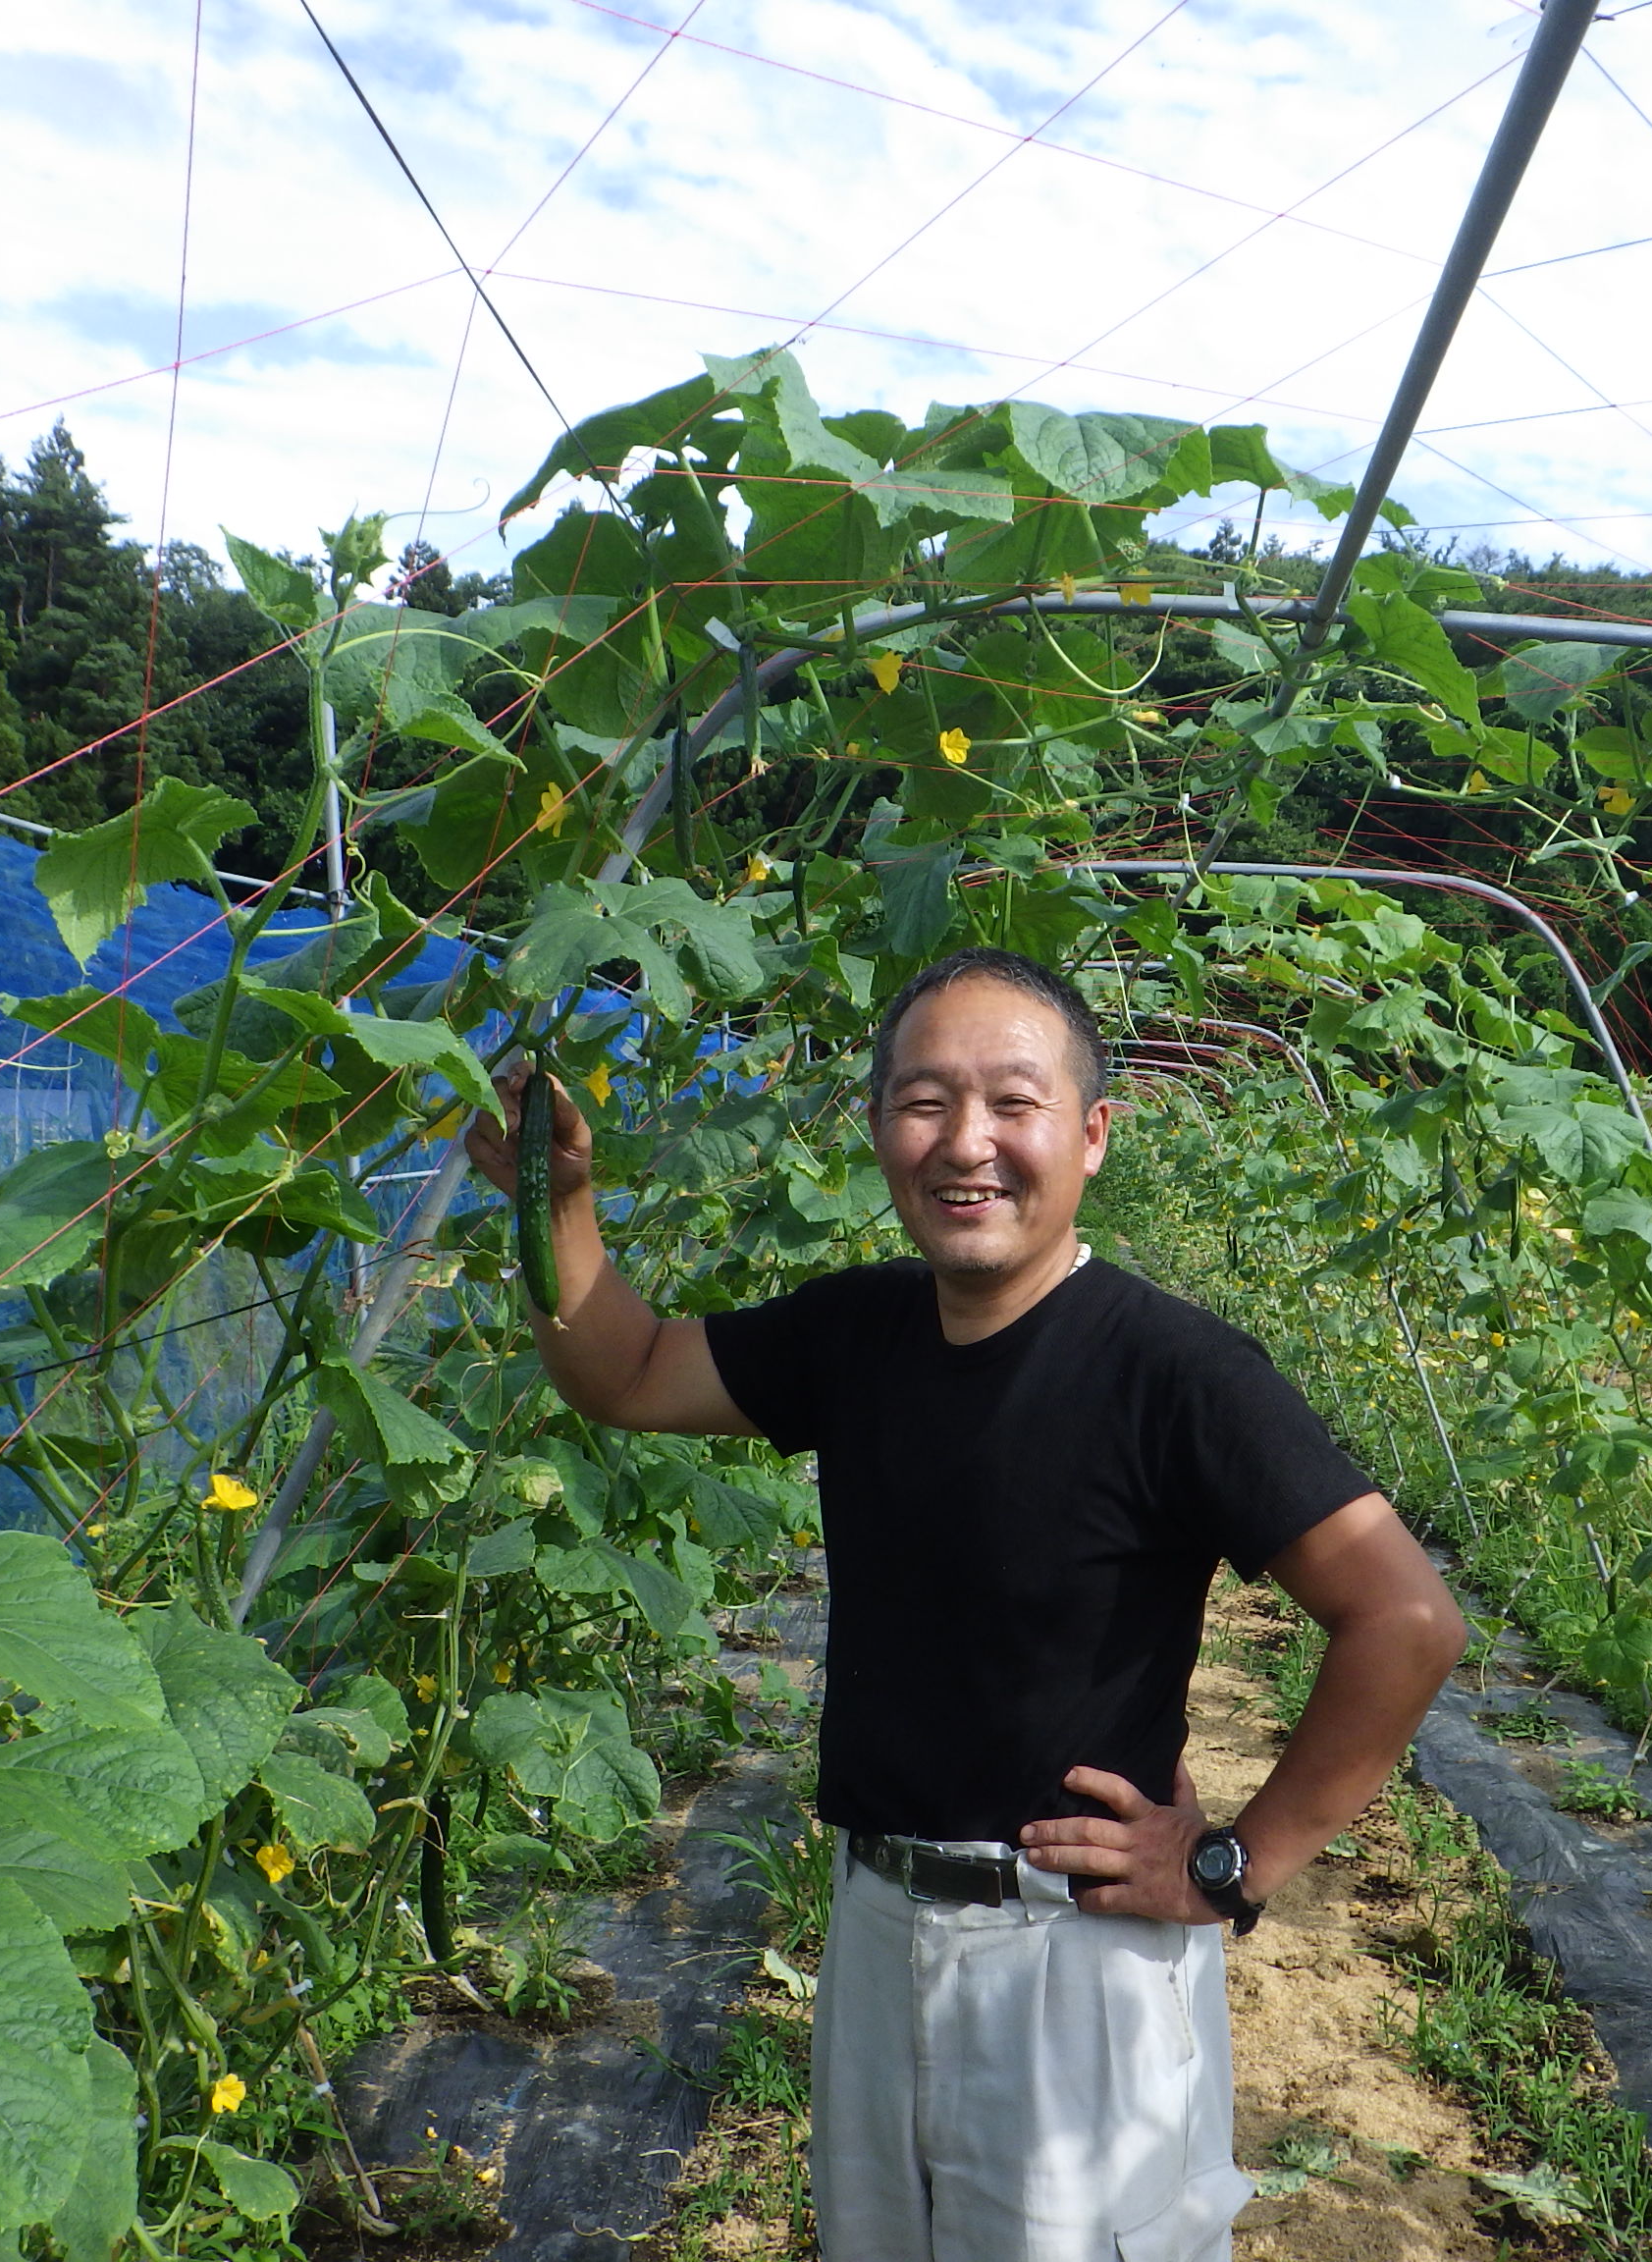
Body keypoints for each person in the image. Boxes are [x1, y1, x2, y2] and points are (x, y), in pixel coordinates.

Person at [464, 944, 1467, 2262]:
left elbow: (1405, 1619)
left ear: (1093, 1135)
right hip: (878, 1923)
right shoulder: (858, 1333)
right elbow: (633, 1372)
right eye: (926, 1100)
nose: (967, 1142)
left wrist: (1233, 1863)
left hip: (1075, 1957)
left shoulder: (1178, 1374)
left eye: (1014, 1101)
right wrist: (562, 1200)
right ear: (881, 1127)